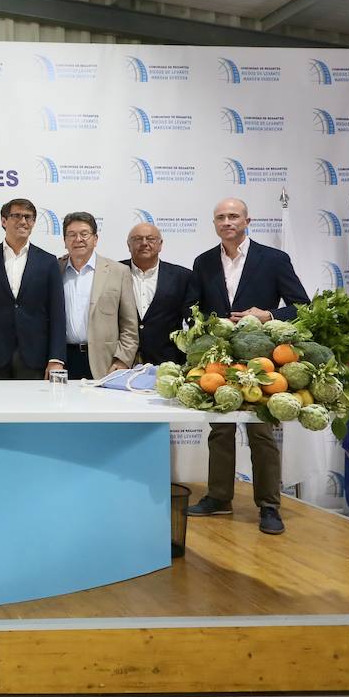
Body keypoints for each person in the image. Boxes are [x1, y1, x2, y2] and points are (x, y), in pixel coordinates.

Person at [186, 198, 308, 535]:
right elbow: (192, 309)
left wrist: (267, 315)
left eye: (233, 216)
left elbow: (302, 306)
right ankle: (218, 497)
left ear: (247, 221)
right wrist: (210, 323)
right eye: (220, 217)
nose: (227, 222)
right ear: (214, 223)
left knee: (261, 432)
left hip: (262, 358)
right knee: (220, 430)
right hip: (219, 357)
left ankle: (269, 505)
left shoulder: (274, 259)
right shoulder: (203, 262)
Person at [0, 198, 65, 379]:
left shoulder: (48, 262)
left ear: (34, 223)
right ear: (3, 221)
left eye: (28, 217)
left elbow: (57, 314)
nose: (23, 221)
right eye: (16, 216)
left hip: (35, 357)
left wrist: (56, 358)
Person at [57, 212, 138, 380]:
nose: (78, 239)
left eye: (84, 234)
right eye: (71, 235)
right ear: (64, 241)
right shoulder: (55, 269)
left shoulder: (118, 271)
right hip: (63, 360)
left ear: (95, 239)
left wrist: (123, 359)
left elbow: (129, 326)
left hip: (105, 362)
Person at [121, 222, 197, 365]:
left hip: (167, 362)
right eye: (137, 239)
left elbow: (192, 319)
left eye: (150, 239)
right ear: (128, 245)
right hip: (121, 361)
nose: (144, 243)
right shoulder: (113, 272)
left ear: (160, 244)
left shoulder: (182, 276)